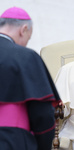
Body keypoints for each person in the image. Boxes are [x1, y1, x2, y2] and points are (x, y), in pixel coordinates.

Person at [0, 7, 61, 150]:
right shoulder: (26, 56)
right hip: (11, 140)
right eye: (29, 37)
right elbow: (43, 114)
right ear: (24, 29)